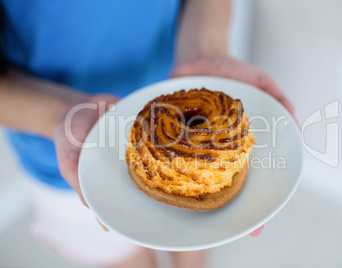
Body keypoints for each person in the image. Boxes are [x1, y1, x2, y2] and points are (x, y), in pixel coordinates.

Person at [0, 0, 294, 267]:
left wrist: (205, 47)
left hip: (175, 79)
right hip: (73, 152)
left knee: (195, 250)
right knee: (124, 258)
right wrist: (59, 113)